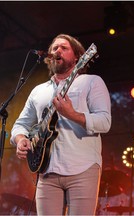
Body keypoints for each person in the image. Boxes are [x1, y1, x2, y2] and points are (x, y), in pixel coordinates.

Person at [10, 34, 112, 215]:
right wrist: (19, 140)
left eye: (64, 48)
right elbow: (20, 124)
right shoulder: (38, 90)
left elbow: (104, 122)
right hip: (46, 172)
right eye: (54, 48)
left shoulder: (91, 82)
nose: (57, 50)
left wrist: (71, 114)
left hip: (82, 169)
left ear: (78, 57)